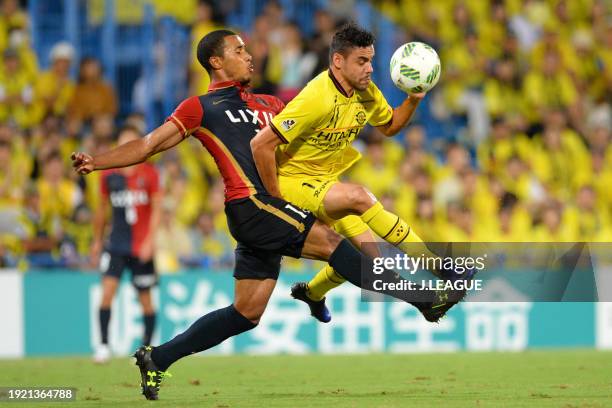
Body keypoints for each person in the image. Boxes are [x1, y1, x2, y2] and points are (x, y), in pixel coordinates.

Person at [72, 30, 464, 400]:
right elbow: (147, 145)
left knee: (246, 312)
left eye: (247, 50)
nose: (249, 56)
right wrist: (97, 161)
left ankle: (157, 358)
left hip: (274, 207)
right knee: (333, 244)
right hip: (252, 204)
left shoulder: (269, 104)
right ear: (215, 61)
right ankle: (424, 299)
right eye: (238, 51)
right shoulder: (200, 107)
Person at [251, 23, 443, 321]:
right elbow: (261, 144)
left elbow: (389, 126)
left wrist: (413, 100)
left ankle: (311, 293)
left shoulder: (366, 93)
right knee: (360, 196)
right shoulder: (316, 97)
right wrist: (275, 201)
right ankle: (437, 266)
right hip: (293, 183)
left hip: (325, 181)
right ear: (338, 61)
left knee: (371, 261)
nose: (369, 69)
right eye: (361, 61)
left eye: (370, 60)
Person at [90, 125, 162, 363]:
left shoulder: (150, 174)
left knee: (146, 301)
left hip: (141, 247)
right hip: (116, 245)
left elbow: (157, 210)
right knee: (107, 294)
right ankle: (102, 345)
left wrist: (150, 242)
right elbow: (101, 211)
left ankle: (146, 349)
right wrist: (97, 241)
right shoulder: (109, 176)